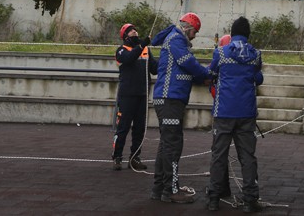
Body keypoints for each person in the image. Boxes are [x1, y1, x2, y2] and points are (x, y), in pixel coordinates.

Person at [150, 13, 213, 204]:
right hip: (170, 99)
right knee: (173, 144)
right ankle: (171, 189)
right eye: (194, 32)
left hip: (169, 99)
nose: (194, 36)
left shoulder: (176, 41)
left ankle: (159, 188)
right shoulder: (176, 40)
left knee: (166, 144)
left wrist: (203, 75)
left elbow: (186, 70)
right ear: (187, 28)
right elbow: (188, 63)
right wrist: (207, 73)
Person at [207, 17, 264, 213]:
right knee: (247, 156)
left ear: (231, 33)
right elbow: (258, 77)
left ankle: (213, 198)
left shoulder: (221, 53)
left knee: (218, 155)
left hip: (223, 111)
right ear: (248, 34)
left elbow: (210, 72)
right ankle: (250, 199)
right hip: (246, 113)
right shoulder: (256, 55)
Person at [112, 22, 158, 171]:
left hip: (142, 95)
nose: (135, 33)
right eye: (132, 32)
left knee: (139, 129)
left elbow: (154, 69)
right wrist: (142, 45)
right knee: (123, 128)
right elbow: (129, 58)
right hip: (127, 96)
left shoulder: (145, 50)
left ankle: (135, 158)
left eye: (136, 31)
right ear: (125, 36)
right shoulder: (121, 51)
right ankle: (117, 157)